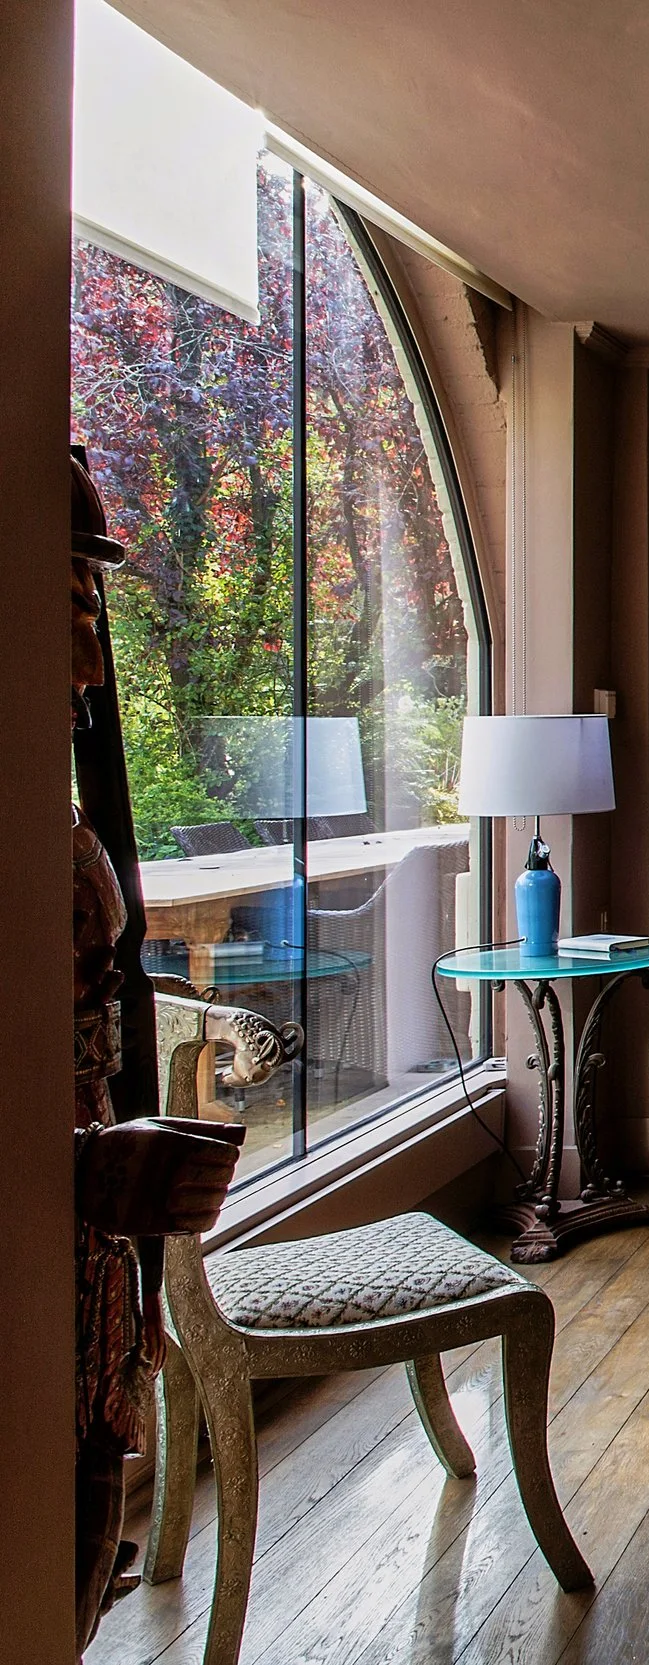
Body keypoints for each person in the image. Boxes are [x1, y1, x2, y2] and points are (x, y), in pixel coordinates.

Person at [69, 446, 245, 1643]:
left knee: (86, 1454)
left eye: (88, 611)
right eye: (74, 608)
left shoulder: (69, 812)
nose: (86, 654)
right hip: (76, 1217)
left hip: (95, 1215)